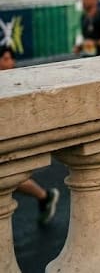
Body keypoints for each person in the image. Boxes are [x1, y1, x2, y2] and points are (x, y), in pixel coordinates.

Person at [1, 46, 61, 225]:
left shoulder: (14, 83)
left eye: (10, 58)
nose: (10, 62)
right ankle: (44, 196)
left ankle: (44, 196)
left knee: (8, 176)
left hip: (10, 139)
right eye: (5, 58)